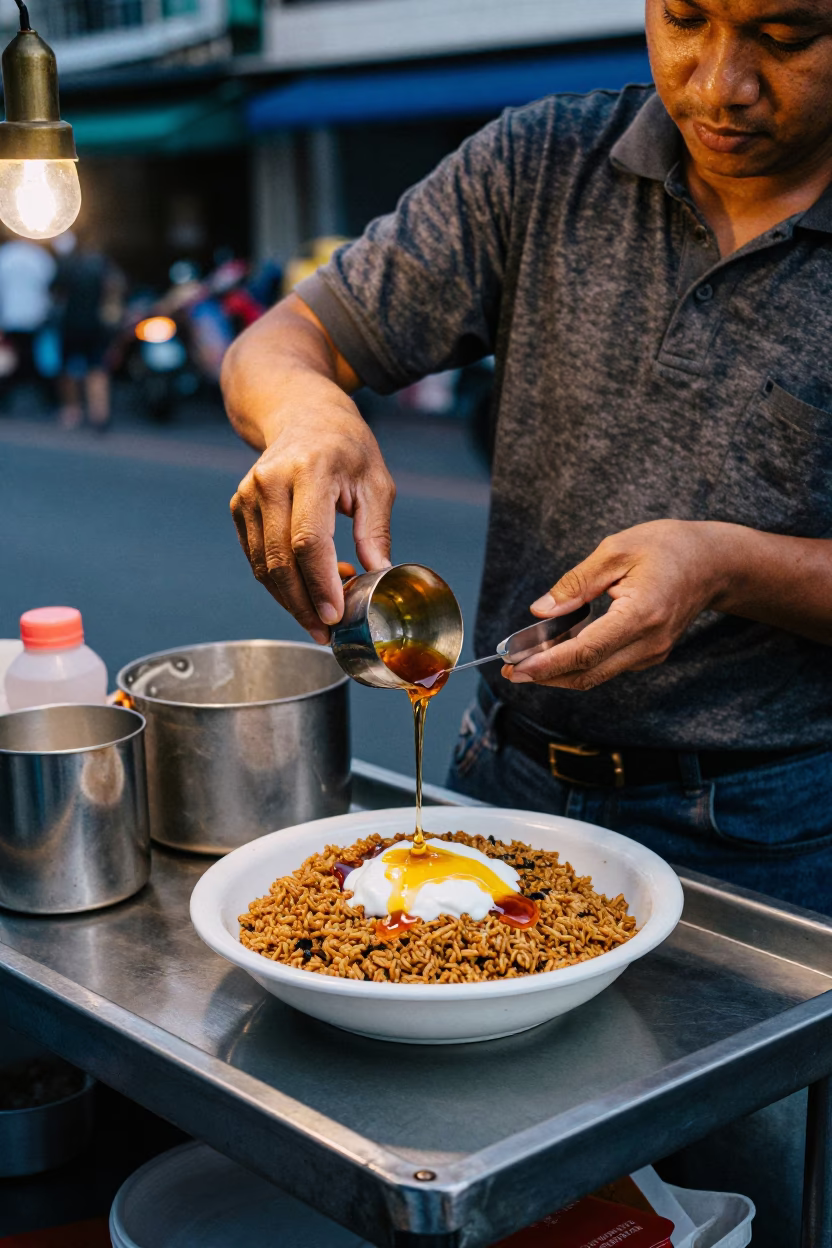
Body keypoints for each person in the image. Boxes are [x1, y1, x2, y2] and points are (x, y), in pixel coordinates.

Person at [223, 2, 832, 1238]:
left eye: (785, 35)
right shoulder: (542, 162)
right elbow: (287, 338)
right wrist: (307, 416)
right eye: (683, 18)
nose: (718, 84)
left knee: (740, 1200)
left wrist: (724, 567)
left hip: (768, 836)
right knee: (463, 1177)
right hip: (504, 779)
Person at [51, 230, 123, 430]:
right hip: (97, 325)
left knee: (68, 368)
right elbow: (116, 292)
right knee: (97, 367)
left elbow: (55, 291)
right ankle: (99, 413)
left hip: (71, 323)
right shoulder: (105, 267)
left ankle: (72, 410)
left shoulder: (69, 264)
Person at [0, 237, 56, 400]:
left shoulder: (6, 254)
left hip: (11, 315)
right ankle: (43, 395)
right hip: (35, 315)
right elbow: (50, 282)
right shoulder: (39, 255)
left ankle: (6, 394)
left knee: (11, 356)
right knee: (35, 355)